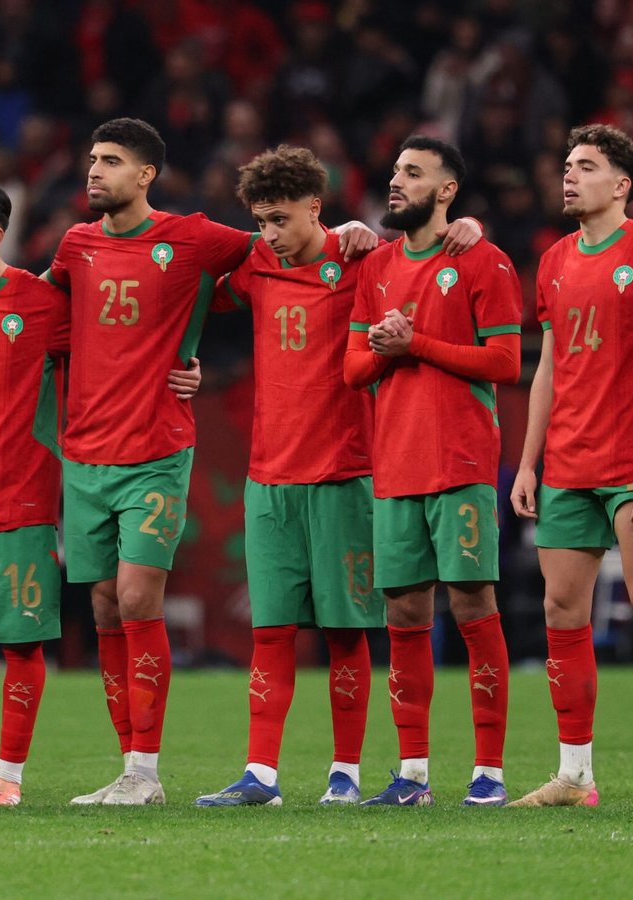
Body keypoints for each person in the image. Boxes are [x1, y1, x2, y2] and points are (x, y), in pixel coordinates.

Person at [0, 118, 383, 806]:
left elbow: (281, 242)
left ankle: (149, 771)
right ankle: (129, 768)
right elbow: (22, 296)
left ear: (146, 175)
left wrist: (349, 232)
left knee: (137, 598)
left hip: (157, 450)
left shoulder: (192, 237)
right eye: (91, 159)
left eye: (110, 161)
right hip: (85, 455)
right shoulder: (75, 245)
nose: (94, 172)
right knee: (104, 609)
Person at [0, 180, 200, 808]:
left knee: (21, 646)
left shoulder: (42, 302)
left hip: (18, 507)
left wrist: (183, 363)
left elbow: (115, 345)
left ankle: (6, 779)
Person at [510, 124, 633, 809]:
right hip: (566, 462)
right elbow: (549, 371)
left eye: (585, 166)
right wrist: (528, 462)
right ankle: (575, 776)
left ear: (621, 185)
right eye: (566, 165)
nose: (569, 175)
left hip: (632, 463)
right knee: (562, 611)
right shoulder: (555, 259)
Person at [192, 146, 386, 808]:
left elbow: (429, 262)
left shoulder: (362, 260)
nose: (269, 235)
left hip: (341, 473)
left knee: (343, 631)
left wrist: (379, 234)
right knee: (271, 632)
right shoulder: (255, 264)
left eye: (279, 220)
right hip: (268, 476)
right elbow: (194, 298)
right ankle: (261, 776)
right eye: (260, 222)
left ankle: (346, 775)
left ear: (314, 207)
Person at [342, 136, 523, 808]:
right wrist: (389, 348)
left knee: (474, 605)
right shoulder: (378, 267)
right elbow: (354, 369)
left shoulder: (484, 260)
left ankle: (489, 773)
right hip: (395, 464)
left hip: (463, 461)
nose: (396, 183)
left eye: (413, 174)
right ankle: (412, 772)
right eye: (394, 172)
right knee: (404, 612)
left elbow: (506, 362)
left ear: (447, 191)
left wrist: (411, 342)